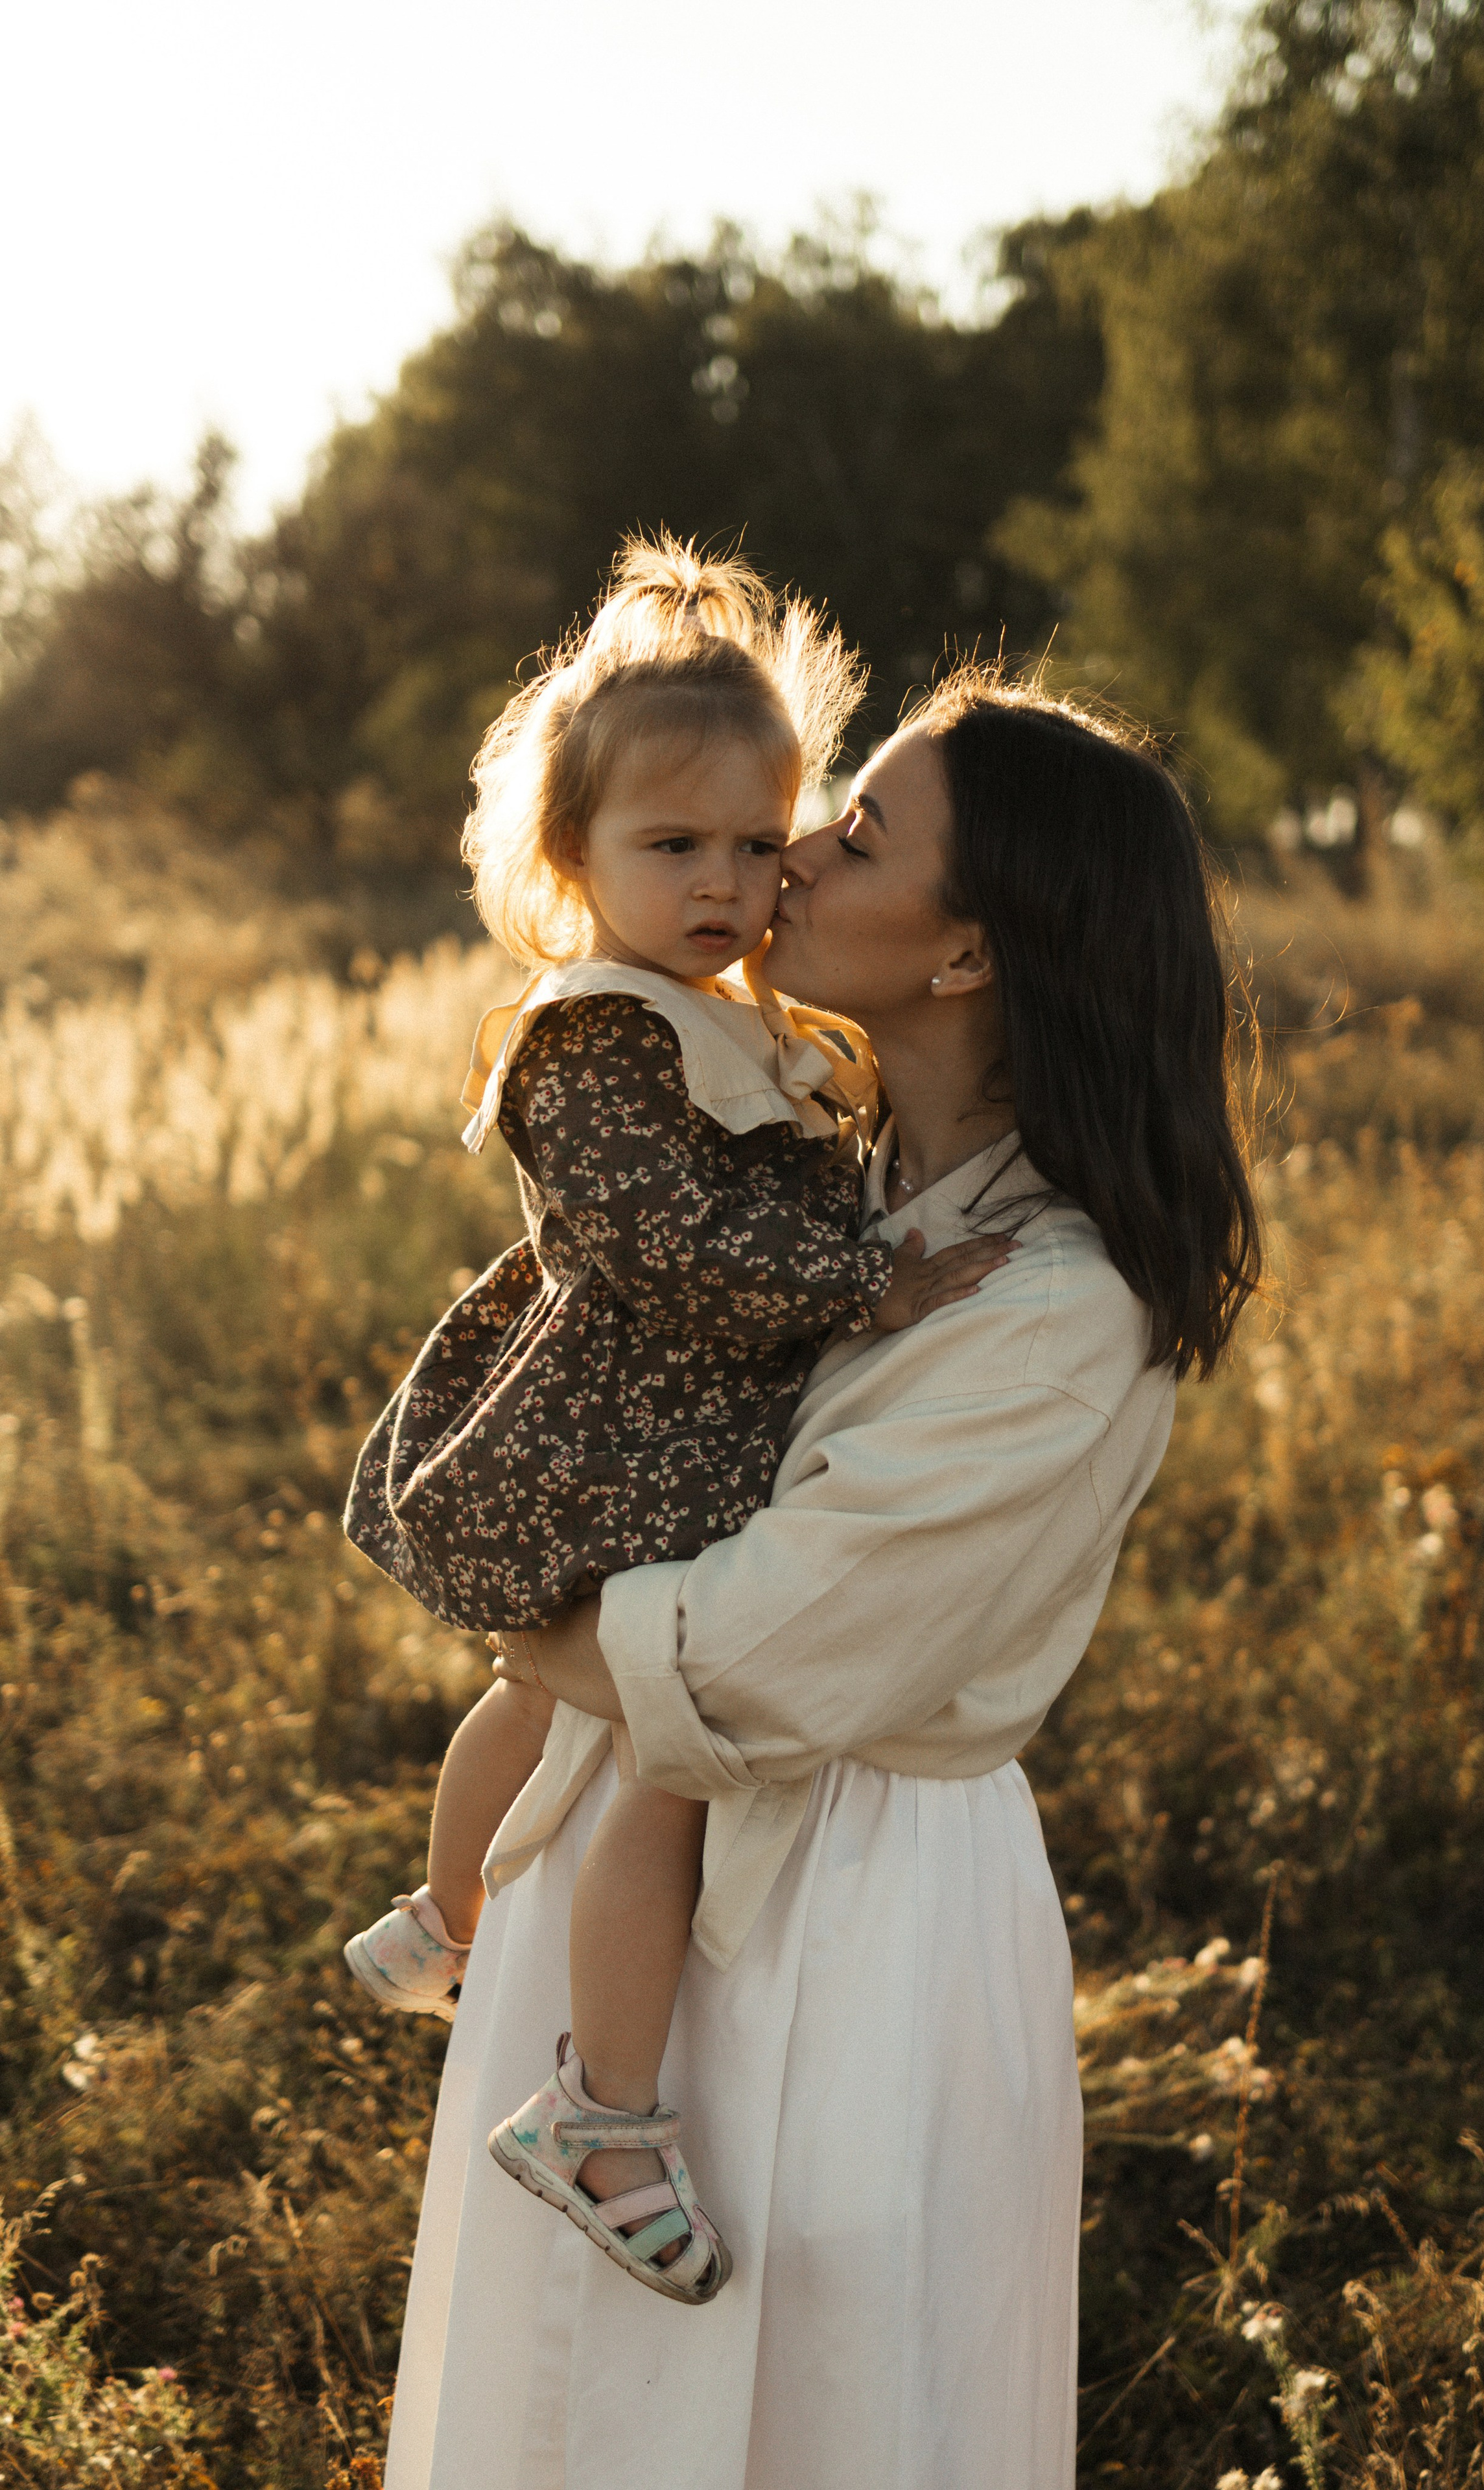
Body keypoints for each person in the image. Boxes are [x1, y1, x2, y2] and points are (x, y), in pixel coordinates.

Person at [383, 661, 1263, 2490]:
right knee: (570, 2420)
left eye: (855, 834)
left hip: (843, 1917)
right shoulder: (822, 1168)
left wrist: (501, 1583)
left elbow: (752, 1656)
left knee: (814, 2417)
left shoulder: (1056, 1307)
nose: (784, 858)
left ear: (963, 959)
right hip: (619, 1876)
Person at [338, 540, 1010, 2305]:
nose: (724, 882)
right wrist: (865, 1280)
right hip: (619, 1443)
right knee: (654, 1756)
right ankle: (600, 2108)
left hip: (679, 1442)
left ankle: (448, 1919)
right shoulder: (596, 1036)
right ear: (572, 864)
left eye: (752, 840)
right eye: (670, 848)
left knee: (539, 1695)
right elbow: (657, 1236)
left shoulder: (738, 1021)